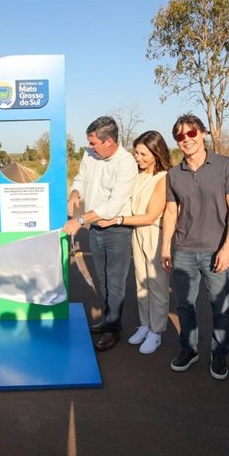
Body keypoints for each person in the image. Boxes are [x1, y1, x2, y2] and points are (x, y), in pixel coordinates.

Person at [161, 114, 229, 380]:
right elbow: (170, 212)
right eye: (180, 136)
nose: (186, 139)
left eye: (191, 133)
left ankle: (219, 354)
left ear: (203, 133)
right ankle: (189, 348)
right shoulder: (174, 174)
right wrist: (165, 248)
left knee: (221, 307)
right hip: (184, 249)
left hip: (217, 250)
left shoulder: (225, 165)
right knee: (184, 305)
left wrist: (227, 248)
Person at [62, 116, 137, 352]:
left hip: (117, 232)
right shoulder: (90, 154)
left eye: (93, 143)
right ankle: (108, 320)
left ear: (109, 141)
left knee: (115, 283)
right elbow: (81, 179)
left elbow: (114, 205)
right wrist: (75, 193)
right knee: (102, 280)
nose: (90, 147)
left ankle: (113, 330)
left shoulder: (126, 163)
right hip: (95, 228)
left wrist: (80, 220)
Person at [99, 130, 172, 354]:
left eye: (143, 154)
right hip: (137, 232)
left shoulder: (163, 178)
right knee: (141, 283)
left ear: (156, 153)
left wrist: (117, 219)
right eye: (136, 153)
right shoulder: (139, 176)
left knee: (157, 286)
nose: (138, 158)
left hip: (154, 235)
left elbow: (150, 216)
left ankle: (156, 331)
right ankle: (145, 325)